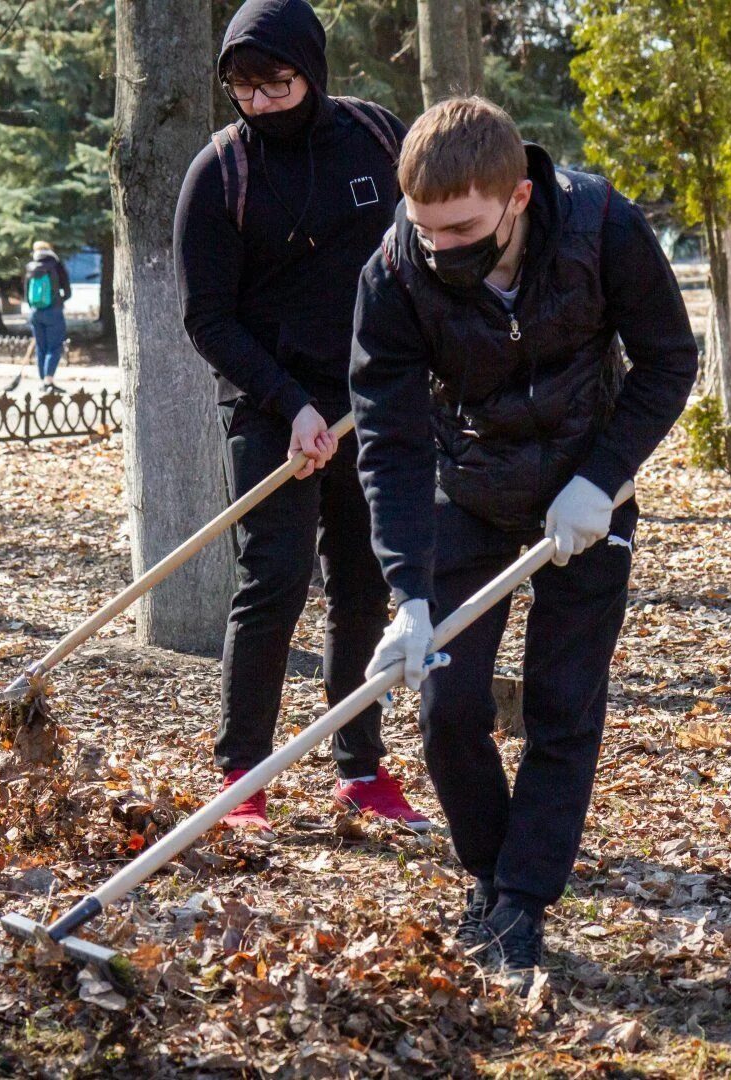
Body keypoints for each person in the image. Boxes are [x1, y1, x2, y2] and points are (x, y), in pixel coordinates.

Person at [349, 97, 698, 989]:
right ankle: (488, 873)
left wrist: (604, 479)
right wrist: (409, 592)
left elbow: (668, 360)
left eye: (462, 227)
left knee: (561, 704)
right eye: (426, 229)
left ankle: (521, 901)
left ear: (518, 202)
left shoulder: (601, 227)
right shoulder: (396, 269)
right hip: (466, 490)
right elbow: (388, 434)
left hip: (589, 490)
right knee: (446, 710)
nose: (441, 249)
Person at [174, 0, 427, 838]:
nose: (260, 102)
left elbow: (420, 252)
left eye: (276, 84)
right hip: (268, 403)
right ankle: (241, 774)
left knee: (362, 582)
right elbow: (208, 319)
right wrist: (290, 405)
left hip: (372, 400)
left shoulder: (378, 138)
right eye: (243, 89)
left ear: (311, 70)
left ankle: (359, 769)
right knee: (274, 580)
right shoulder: (219, 177)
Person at [23, 241, 72, 393]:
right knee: (55, 346)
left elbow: (26, 294)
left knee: (41, 347)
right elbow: (68, 292)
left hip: (35, 313)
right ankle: (48, 380)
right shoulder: (56, 265)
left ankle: (43, 380)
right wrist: (58, 300)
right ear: (50, 249)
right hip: (54, 312)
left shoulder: (30, 267)